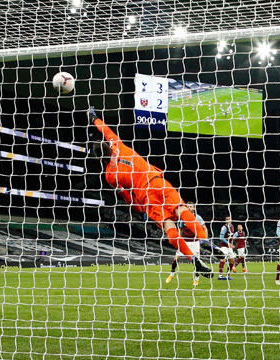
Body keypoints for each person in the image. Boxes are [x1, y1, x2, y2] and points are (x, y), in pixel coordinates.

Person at [88, 107, 212, 278]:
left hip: (145, 197)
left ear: (98, 159)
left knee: (168, 226)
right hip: (155, 180)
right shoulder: (118, 145)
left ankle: (193, 260)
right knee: (182, 211)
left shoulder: (110, 176)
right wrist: (94, 118)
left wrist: (138, 209)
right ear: (109, 145)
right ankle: (205, 241)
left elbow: (126, 196)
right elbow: (106, 130)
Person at [166, 202, 207, 287]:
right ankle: (171, 274)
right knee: (176, 258)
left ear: (194, 208)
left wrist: (205, 239)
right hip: (185, 242)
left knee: (196, 262)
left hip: (195, 242)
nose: (189, 208)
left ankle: (196, 279)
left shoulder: (198, 218)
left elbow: (204, 228)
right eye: (188, 207)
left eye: (191, 207)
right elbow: (181, 229)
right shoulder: (183, 218)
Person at [217, 215, 237, 280]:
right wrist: (229, 243)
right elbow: (221, 238)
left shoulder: (232, 227)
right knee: (223, 259)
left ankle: (227, 275)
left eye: (229, 219)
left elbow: (231, 236)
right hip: (224, 246)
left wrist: (235, 237)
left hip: (229, 247)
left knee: (232, 261)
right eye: (227, 219)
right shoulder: (224, 227)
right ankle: (220, 275)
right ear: (225, 220)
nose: (228, 220)